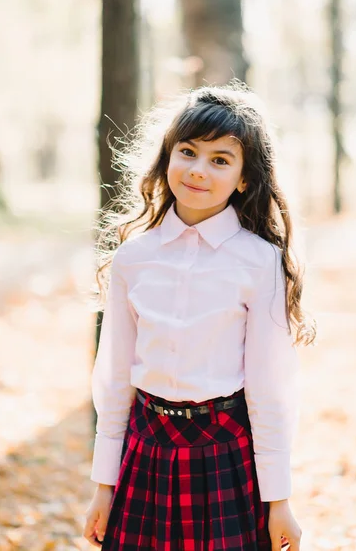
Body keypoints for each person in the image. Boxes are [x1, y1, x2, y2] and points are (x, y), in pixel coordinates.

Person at [83, 81, 316, 550]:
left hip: (225, 454)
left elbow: (271, 388)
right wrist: (103, 486)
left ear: (245, 179)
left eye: (220, 160)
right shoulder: (134, 257)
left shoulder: (259, 261)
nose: (198, 170)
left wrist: (279, 500)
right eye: (187, 151)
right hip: (144, 449)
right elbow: (113, 379)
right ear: (168, 155)